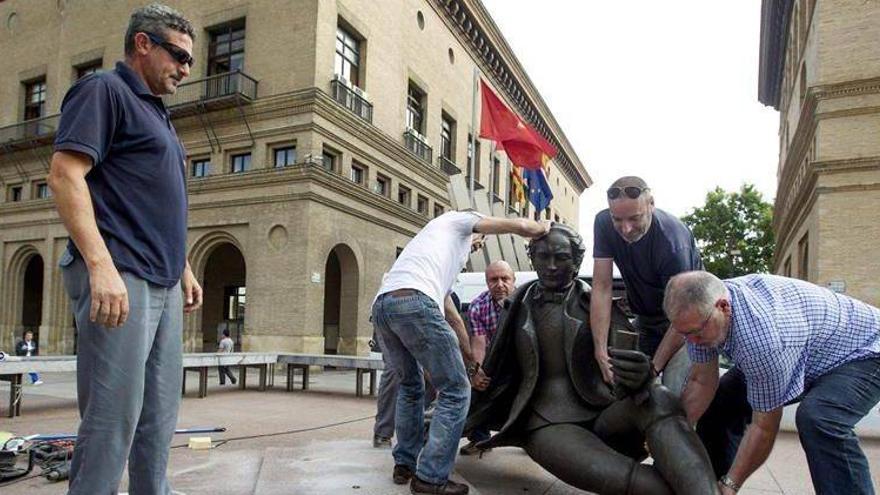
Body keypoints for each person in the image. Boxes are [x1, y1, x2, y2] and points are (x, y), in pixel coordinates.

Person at [47, 4, 201, 494]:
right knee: (112, 419)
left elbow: (153, 200)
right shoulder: (104, 90)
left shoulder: (157, 114)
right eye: (178, 55)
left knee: (158, 415)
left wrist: (184, 266)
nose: (185, 69)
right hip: (122, 274)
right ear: (142, 44)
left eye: (190, 61)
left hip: (162, 277)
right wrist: (100, 265)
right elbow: (65, 174)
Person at [464, 223, 718, 495]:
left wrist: (640, 374)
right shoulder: (516, 306)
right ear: (532, 259)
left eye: (561, 257)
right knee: (638, 484)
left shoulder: (597, 304)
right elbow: (490, 360)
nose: (551, 266)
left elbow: (629, 363)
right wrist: (471, 382)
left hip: (603, 412)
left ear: (575, 261)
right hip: (546, 424)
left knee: (661, 397)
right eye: (543, 257)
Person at [371, 210, 548, 495]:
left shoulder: (435, 252)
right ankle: (431, 478)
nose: (479, 244)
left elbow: (453, 318)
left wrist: (470, 362)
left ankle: (404, 463)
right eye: (480, 238)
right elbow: (517, 225)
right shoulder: (458, 220)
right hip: (415, 302)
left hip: (383, 306)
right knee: (455, 391)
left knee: (411, 386)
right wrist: (542, 228)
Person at [664, 271, 880, 494]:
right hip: (808, 352)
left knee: (820, 419)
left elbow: (763, 427)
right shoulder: (700, 314)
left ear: (723, 307)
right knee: (721, 402)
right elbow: (702, 383)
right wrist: (675, 435)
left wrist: (731, 484)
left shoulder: (763, 342)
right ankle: (706, 487)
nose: (693, 341)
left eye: (697, 332)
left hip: (867, 350)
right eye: (685, 334)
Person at [591, 176, 703, 395]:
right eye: (618, 219)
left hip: (688, 325)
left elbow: (684, 315)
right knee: (620, 386)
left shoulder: (673, 243)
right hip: (646, 320)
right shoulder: (603, 223)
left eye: (634, 218)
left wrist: (653, 370)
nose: (626, 228)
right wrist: (601, 352)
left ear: (651, 204)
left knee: (669, 394)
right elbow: (602, 288)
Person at [459, 260, 516, 455]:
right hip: (496, 359)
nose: (499, 284)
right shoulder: (478, 306)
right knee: (479, 385)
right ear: (487, 282)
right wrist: (476, 372)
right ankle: (480, 438)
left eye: (505, 279)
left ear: (513, 280)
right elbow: (478, 344)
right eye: (494, 280)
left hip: (525, 360)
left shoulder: (527, 301)